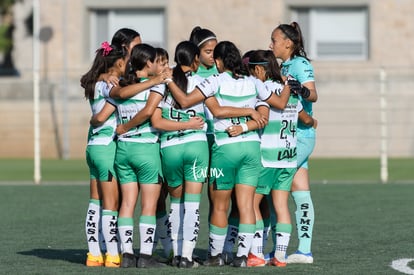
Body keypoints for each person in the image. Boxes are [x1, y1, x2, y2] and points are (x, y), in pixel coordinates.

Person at [166, 41, 290, 267]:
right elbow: (279, 104)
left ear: (219, 61)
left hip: (225, 147)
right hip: (252, 148)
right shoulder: (254, 82)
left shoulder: (214, 80)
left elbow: (185, 101)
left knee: (220, 205)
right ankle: (242, 256)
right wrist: (287, 85)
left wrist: (166, 80)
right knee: (246, 205)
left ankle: (216, 255)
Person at [245, 50, 316, 267]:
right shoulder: (292, 90)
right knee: (282, 205)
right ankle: (280, 257)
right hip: (288, 157)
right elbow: (305, 118)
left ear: (259, 69)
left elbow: (263, 116)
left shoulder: (263, 89)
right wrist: (313, 122)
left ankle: (256, 254)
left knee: (251, 203)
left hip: (267, 157)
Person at [105, 43, 169, 268]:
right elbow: (148, 112)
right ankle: (146, 256)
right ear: (148, 63)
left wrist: (122, 130)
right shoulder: (157, 86)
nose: (158, 65)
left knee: (128, 204)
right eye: (155, 61)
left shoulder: (121, 84)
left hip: (123, 151)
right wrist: (127, 127)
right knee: (149, 206)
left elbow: (118, 95)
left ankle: (127, 254)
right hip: (146, 148)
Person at [151, 41, 208, 268]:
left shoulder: (163, 83)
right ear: (195, 59)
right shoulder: (202, 81)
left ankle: (175, 253)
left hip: (170, 148)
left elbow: (156, 121)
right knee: (193, 204)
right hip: (196, 146)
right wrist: (191, 125)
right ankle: (186, 257)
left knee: (176, 203)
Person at [269, 22, 318, 264]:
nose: (271, 45)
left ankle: (272, 248)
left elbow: (313, 94)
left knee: (273, 187)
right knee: (300, 192)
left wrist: (302, 91)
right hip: (290, 135)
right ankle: (304, 251)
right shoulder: (283, 65)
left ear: (288, 43)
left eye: (274, 40)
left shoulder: (300, 64)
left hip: (300, 136)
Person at [80, 41, 128, 268]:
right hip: (107, 147)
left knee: (95, 202)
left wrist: (100, 76)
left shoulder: (95, 83)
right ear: (118, 63)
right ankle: (111, 255)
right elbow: (102, 115)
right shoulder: (111, 86)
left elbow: (85, 79)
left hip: (93, 148)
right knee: (111, 203)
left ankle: (93, 254)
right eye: (126, 61)